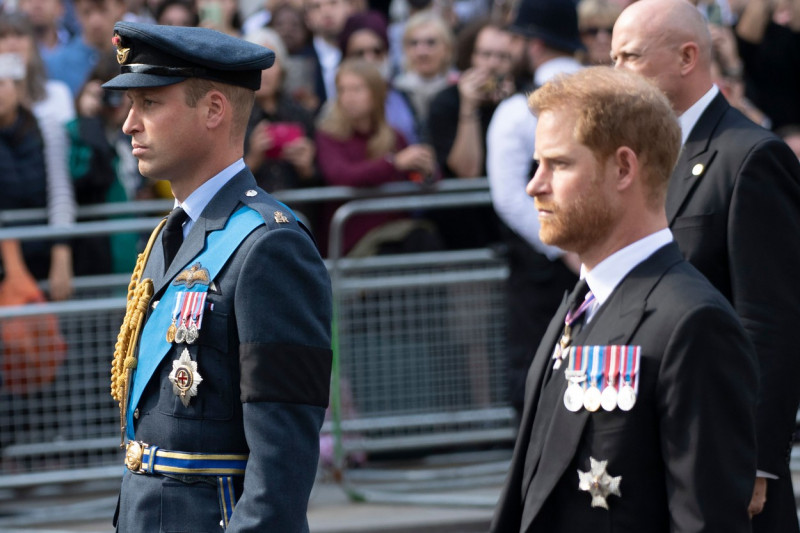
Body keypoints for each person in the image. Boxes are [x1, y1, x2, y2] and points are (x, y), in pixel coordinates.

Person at [491, 66, 757, 533]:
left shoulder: (692, 322)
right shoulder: (582, 303)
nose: (535, 184)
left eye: (559, 164)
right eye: (538, 164)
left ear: (623, 168)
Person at [104, 21, 332, 531]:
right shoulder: (173, 231)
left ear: (213, 110)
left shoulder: (270, 246)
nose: (130, 125)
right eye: (129, 106)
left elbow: (280, 467)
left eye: (150, 104)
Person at [611, 0, 800, 528]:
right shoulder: (636, 157)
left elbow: (772, 321)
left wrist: (758, 457)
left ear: (687, 57)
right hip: (648, 435)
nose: (616, 72)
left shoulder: (750, 156)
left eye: (629, 56)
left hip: (721, 444)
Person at [485, 0, 582, 417]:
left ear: (535, 43)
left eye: (518, 38)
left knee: (538, 376)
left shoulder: (516, 110)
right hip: (599, 256)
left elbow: (509, 196)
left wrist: (562, 248)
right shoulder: (616, 95)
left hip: (542, 272)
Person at [315, 59, 437, 257]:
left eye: (356, 89)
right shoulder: (329, 136)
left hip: (399, 231)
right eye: (342, 90)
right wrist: (393, 163)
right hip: (357, 242)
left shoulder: (394, 136)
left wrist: (426, 170)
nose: (348, 97)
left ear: (376, 93)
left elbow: (420, 179)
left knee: (425, 240)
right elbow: (341, 175)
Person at [243, 27, 319, 192]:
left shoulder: (301, 114)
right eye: (257, 63)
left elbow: (322, 183)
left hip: (297, 212)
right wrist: (252, 161)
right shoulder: (234, 118)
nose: (264, 72)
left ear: (282, 69)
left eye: (270, 62)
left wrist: (307, 168)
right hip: (252, 213)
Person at [44, 0, 127, 95]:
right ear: (76, 12)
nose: (95, 21)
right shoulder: (55, 65)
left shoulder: (134, 58)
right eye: (86, 12)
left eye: (103, 10)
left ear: (120, 8)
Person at [393, 11, 455, 134]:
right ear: (405, 49)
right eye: (414, 43)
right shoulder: (395, 92)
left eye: (431, 42)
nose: (421, 52)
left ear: (447, 49)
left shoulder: (459, 89)